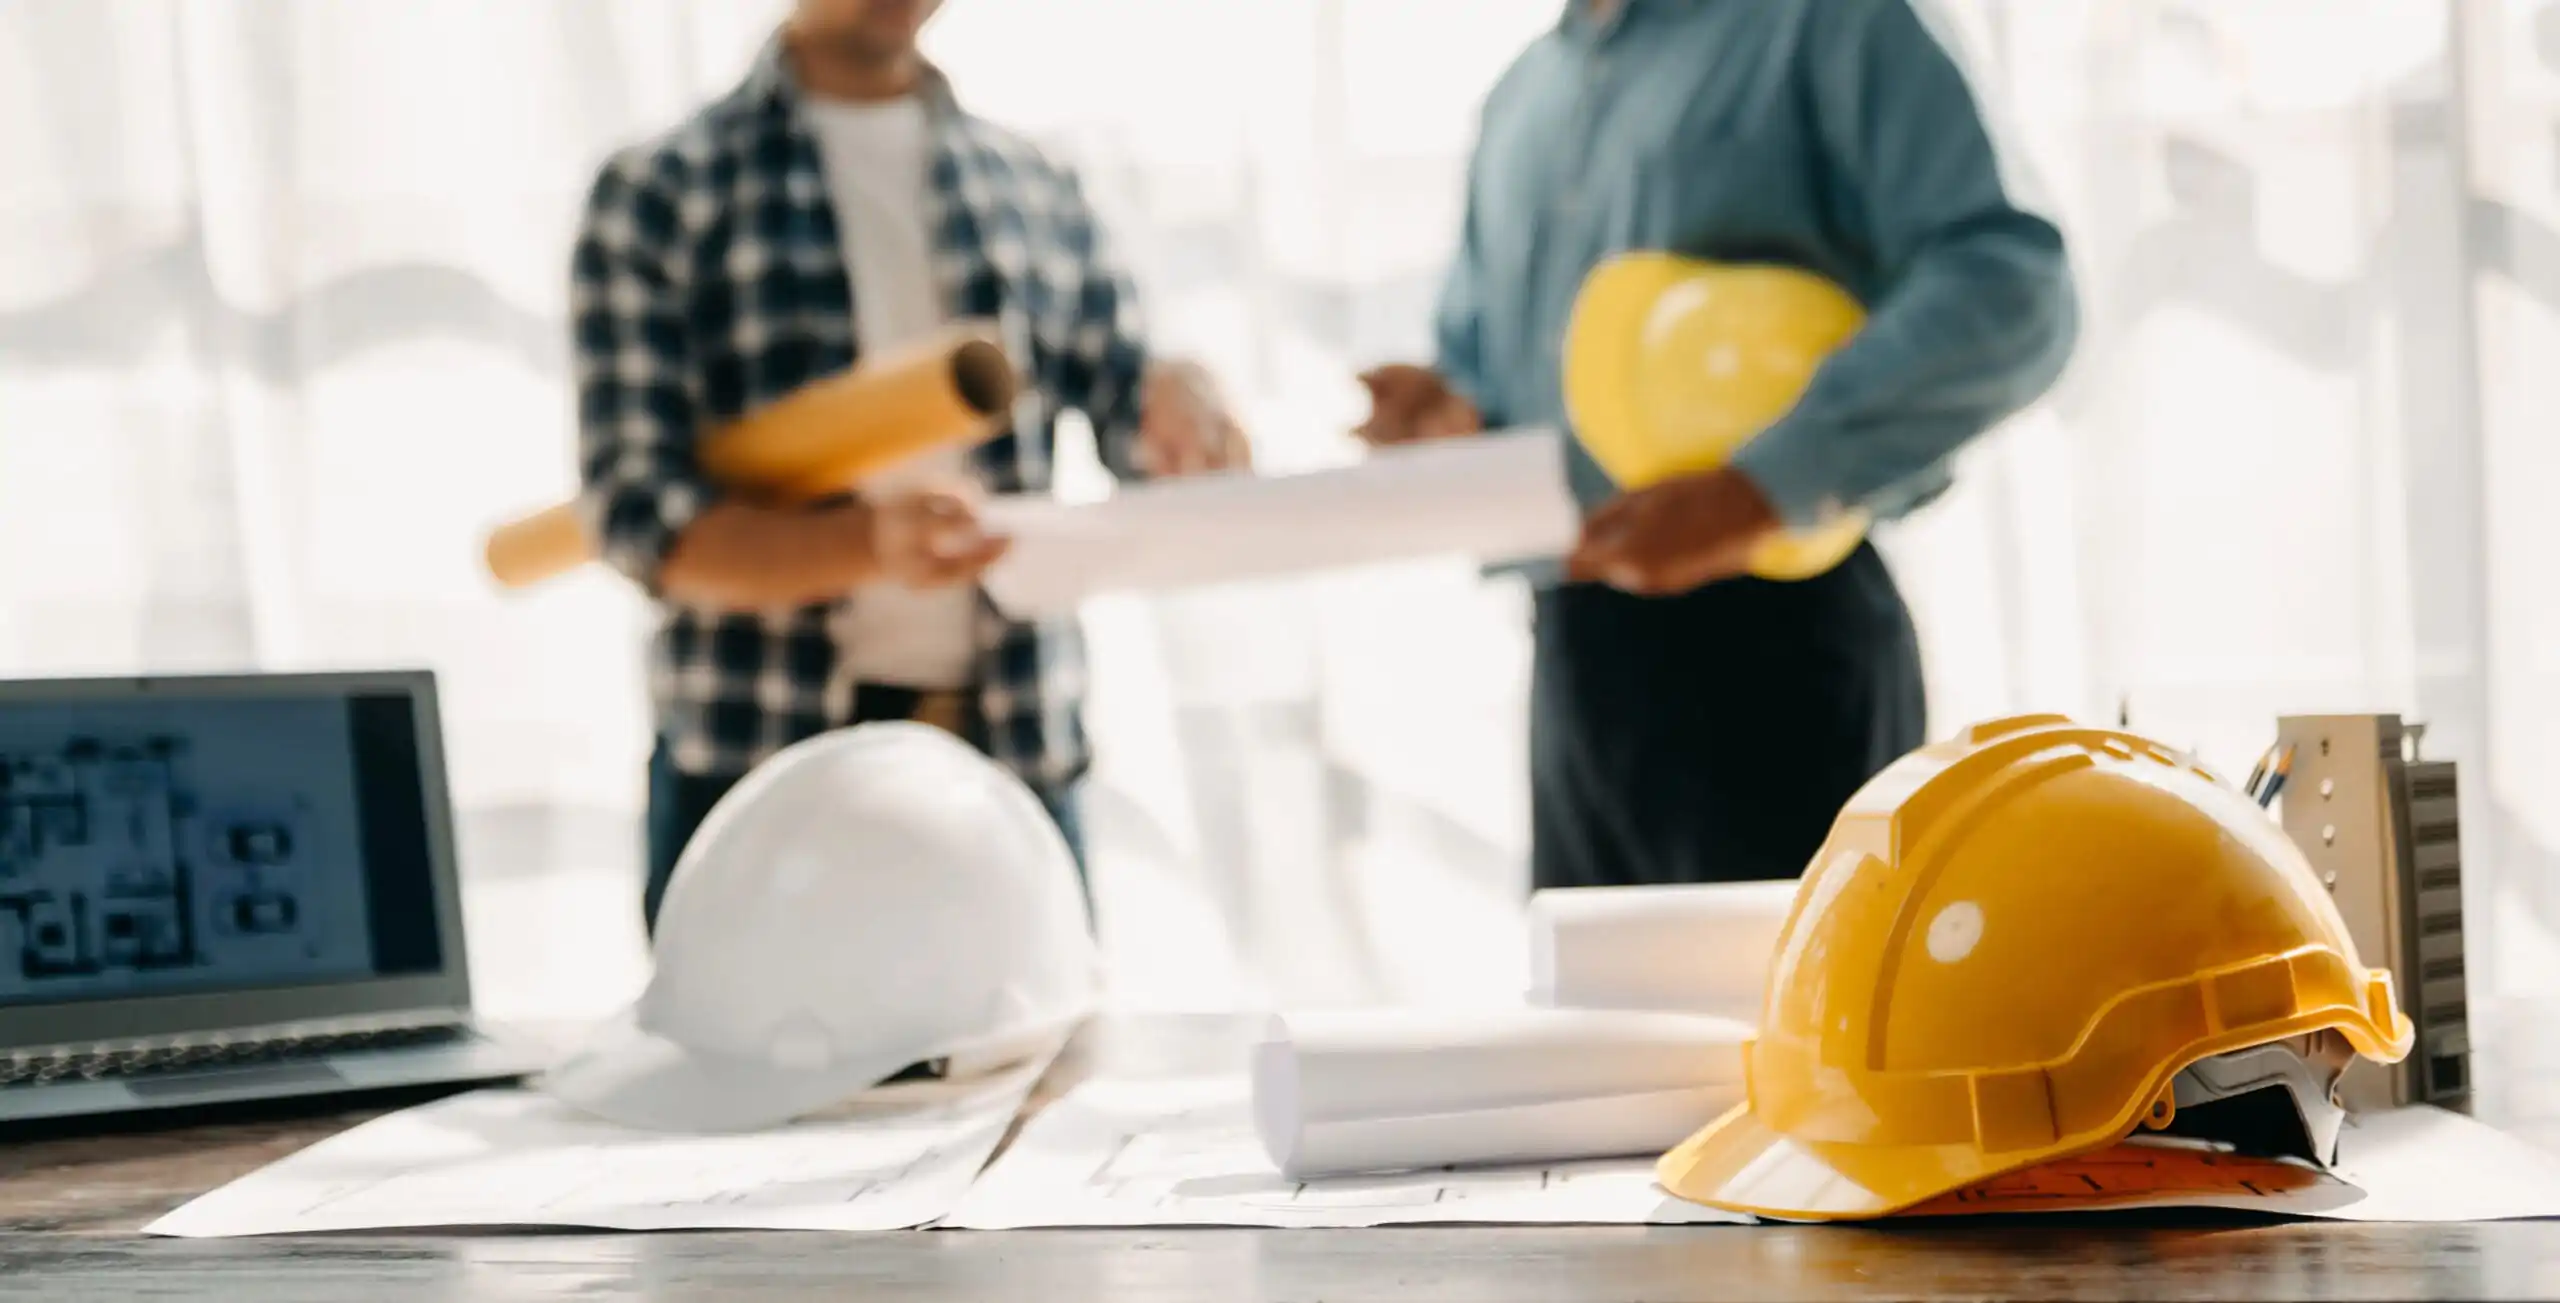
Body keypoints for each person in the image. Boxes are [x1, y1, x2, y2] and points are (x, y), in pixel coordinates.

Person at [1358, 0, 2078, 890]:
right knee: (1591, 1025)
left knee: (1796, 1023)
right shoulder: (1521, 98)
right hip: (1573, 663)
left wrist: (1763, 487)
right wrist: (1451, 409)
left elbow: (2012, 289)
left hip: (1776, 647)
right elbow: (1492, 370)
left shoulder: (1827, 22)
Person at [571, 0, 1248, 932]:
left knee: (1034, 1071)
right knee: (758, 1079)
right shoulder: (662, 190)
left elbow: (1137, 419)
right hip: (758, 771)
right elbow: (645, 521)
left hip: (1009, 762)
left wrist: (1181, 407)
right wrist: (868, 544)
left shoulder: (1036, 185)